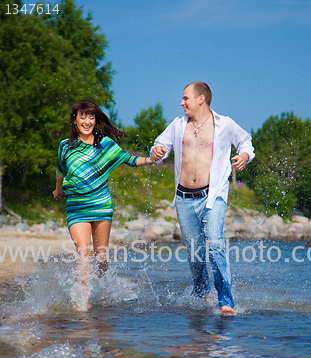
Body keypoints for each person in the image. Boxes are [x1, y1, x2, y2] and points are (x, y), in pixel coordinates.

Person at [151, 82, 254, 315]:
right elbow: (160, 145)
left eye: (185, 98)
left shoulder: (224, 124)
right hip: (184, 198)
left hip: (213, 195)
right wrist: (156, 151)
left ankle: (225, 301)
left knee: (216, 244)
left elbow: (245, 141)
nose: (181, 102)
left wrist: (244, 155)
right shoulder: (178, 125)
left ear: (201, 99)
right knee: (195, 253)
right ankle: (201, 295)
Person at [53, 99, 153, 309]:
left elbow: (129, 159)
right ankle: (84, 300)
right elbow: (61, 170)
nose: (87, 121)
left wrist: (150, 159)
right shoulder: (66, 146)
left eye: (91, 117)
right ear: (75, 121)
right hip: (76, 207)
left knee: (101, 257)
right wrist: (58, 189)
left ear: (96, 120)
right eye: (83, 117)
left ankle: (104, 287)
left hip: (101, 205)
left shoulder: (105, 144)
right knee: (83, 250)